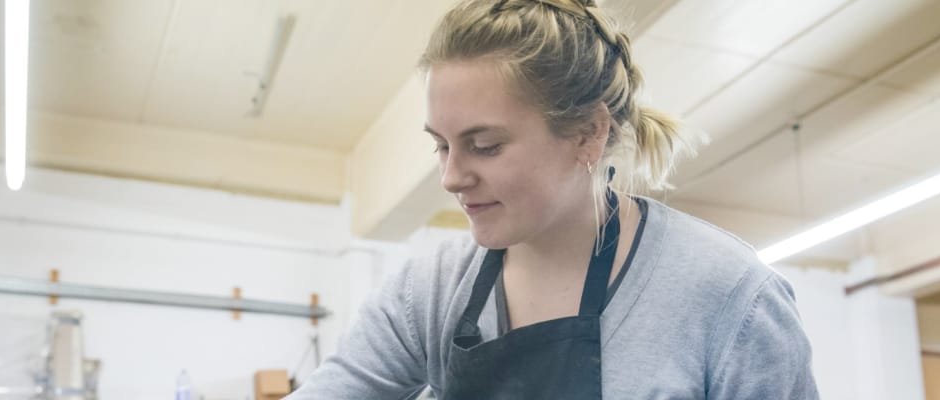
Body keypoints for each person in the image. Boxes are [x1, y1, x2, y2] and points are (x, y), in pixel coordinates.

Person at [288, 0, 819, 398]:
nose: (451, 178)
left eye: (485, 146)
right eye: (441, 146)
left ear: (588, 133)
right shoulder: (429, 294)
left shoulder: (729, 298)